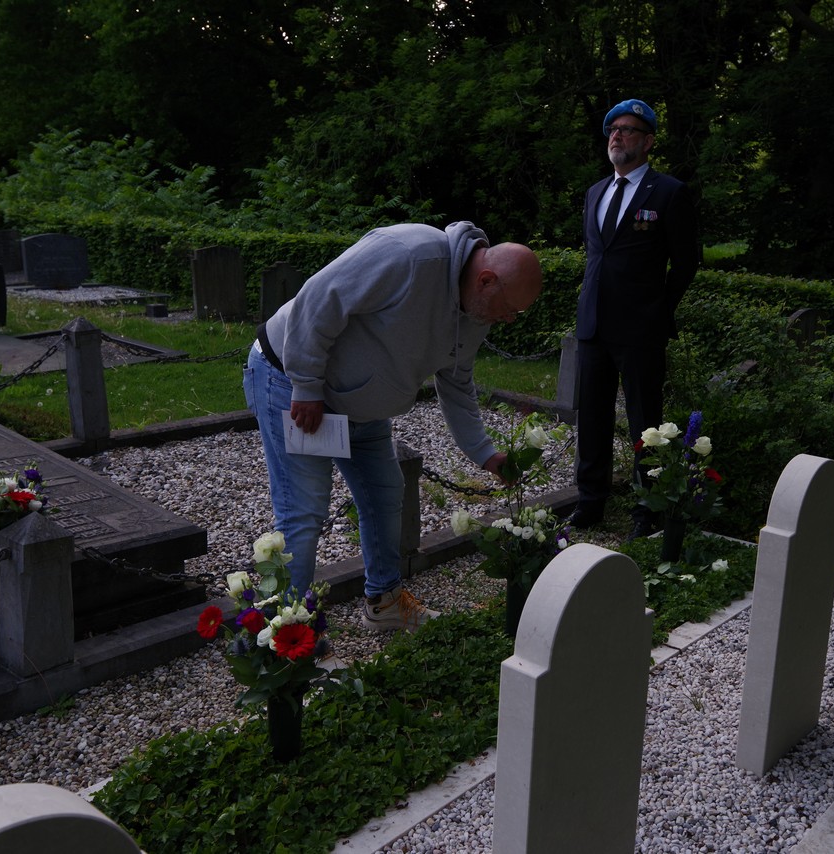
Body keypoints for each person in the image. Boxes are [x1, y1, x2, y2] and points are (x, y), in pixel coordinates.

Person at [245, 222, 542, 632]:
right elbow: (321, 297)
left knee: (385, 494)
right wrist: (307, 385)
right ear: (486, 280)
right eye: (510, 309)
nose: (508, 319)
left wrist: (485, 453)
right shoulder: (408, 254)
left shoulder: (475, 312)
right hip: (291, 380)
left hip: (362, 406)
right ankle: (290, 634)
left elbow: (456, 382)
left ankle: (383, 602)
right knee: (304, 512)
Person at [573, 98, 700, 538]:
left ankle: (647, 509)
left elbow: (686, 261)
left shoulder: (668, 192)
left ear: (647, 142)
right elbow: (598, 256)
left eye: (627, 130)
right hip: (593, 325)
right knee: (592, 417)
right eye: (613, 130)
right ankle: (590, 502)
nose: (617, 136)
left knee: (646, 422)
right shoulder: (596, 192)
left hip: (640, 328)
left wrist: (659, 310)